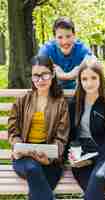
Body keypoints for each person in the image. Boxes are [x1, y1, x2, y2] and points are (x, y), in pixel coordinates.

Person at [8, 55, 70, 200]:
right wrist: (18, 146)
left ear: (53, 74)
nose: (40, 80)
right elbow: (13, 130)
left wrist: (48, 159)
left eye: (45, 75)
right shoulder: (22, 101)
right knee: (32, 167)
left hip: (49, 160)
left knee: (38, 183)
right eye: (36, 76)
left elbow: (62, 137)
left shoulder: (61, 103)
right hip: (24, 157)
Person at [68, 57, 105, 200]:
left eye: (93, 78)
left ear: (100, 79)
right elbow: (71, 136)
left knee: (98, 177)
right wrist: (73, 155)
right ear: (80, 81)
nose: (89, 83)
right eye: (84, 79)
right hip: (81, 156)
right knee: (93, 189)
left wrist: (90, 159)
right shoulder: (73, 104)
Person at [38, 16, 92, 90]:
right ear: (54, 38)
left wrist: (62, 74)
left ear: (74, 35)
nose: (65, 42)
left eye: (68, 36)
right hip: (52, 92)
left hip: (78, 92)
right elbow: (39, 73)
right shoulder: (46, 50)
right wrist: (69, 75)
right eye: (60, 37)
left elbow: (94, 67)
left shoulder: (82, 49)